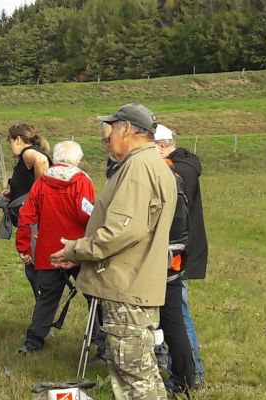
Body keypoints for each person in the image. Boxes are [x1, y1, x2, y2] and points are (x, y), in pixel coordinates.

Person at [51, 103, 178, 400]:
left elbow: (122, 230)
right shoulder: (149, 163)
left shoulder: (137, 167)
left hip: (127, 285)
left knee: (134, 372)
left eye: (111, 129)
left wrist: (76, 249)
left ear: (128, 129)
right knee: (136, 369)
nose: (108, 137)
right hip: (133, 281)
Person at [13, 141, 95, 354]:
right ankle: (99, 340)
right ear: (77, 160)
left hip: (49, 250)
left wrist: (24, 246)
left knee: (47, 297)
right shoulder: (82, 181)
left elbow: (26, 215)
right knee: (93, 295)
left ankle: (33, 342)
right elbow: (87, 215)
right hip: (78, 249)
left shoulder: (42, 182)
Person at [152, 124, 207, 392]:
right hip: (177, 250)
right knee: (176, 313)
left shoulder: (179, 170)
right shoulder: (180, 166)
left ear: (161, 145)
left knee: (179, 314)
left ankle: (190, 372)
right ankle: (185, 370)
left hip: (177, 252)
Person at [0, 124, 52, 241]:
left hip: (34, 221)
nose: (10, 147)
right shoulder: (29, 154)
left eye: (10, 142)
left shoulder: (27, 152)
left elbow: (41, 161)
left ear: (18, 140)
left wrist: (37, 193)